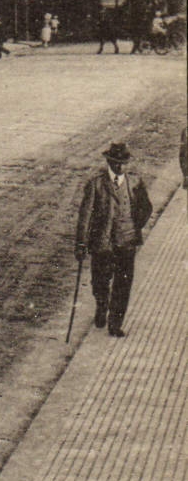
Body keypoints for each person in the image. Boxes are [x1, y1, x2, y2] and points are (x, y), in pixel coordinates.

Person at [75, 142, 154, 338]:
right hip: (102, 243)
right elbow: (85, 217)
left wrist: (135, 226)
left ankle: (115, 323)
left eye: (124, 163)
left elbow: (146, 207)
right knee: (100, 282)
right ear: (109, 162)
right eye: (116, 163)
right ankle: (102, 305)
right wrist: (81, 243)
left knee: (123, 284)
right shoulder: (96, 185)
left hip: (126, 242)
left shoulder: (135, 183)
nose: (120, 167)